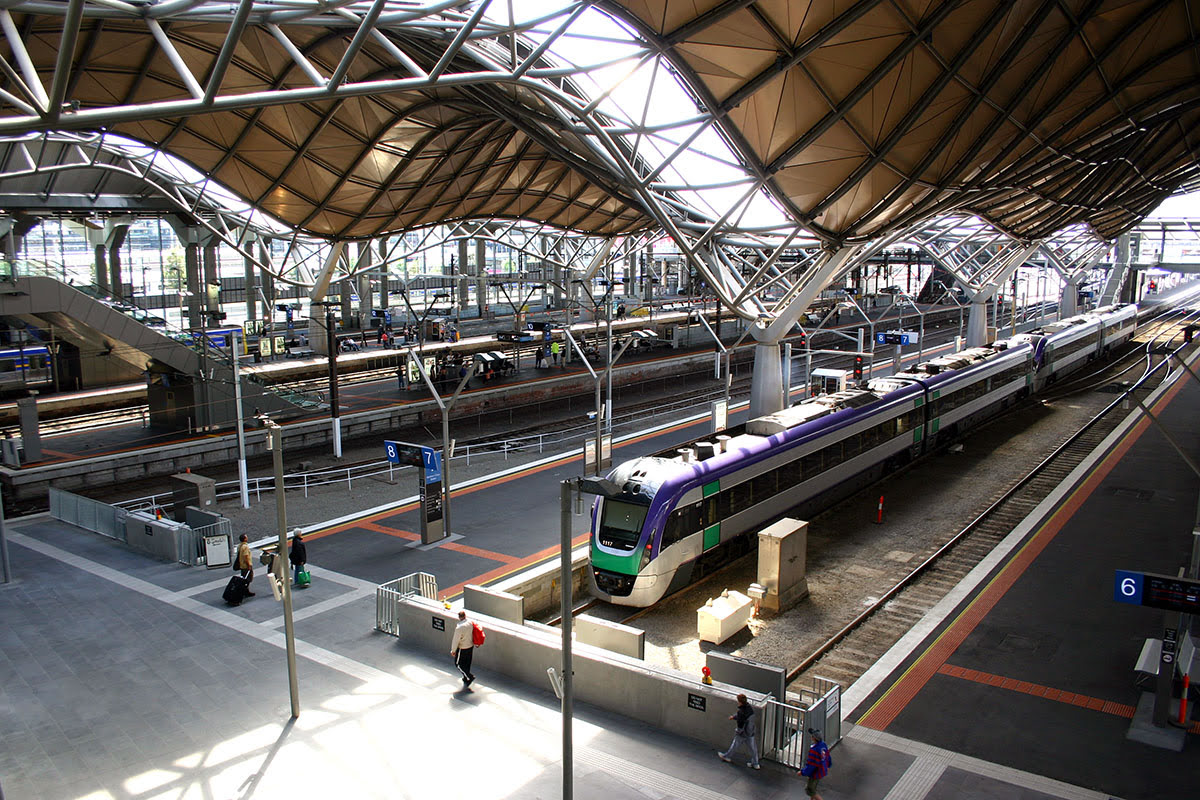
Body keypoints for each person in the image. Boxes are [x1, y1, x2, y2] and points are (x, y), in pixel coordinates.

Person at [717, 693, 759, 769]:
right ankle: (755, 763)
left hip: (743, 733)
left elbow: (740, 721)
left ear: (740, 702)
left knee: (735, 744)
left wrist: (738, 730)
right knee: (753, 748)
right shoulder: (750, 708)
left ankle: (726, 756)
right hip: (751, 732)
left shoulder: (741, 711)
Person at [797, 728, 831, 798]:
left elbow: (811, 765)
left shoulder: (814, 750)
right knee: (814, 788)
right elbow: (828, 756)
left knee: (810, 790)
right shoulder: (823, 745)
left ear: (814, 738)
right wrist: (828, 765)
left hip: (815, 773)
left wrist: (802, 772)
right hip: (822, 770)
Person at [450, 609, 477, 688]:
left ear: (459, 617)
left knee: (458, 664)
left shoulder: (459, 628)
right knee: (467, 663)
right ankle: (465, 677)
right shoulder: (470, 623)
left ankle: (469, 676)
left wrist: (453, 650)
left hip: (463, 648)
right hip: (470, 646)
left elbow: (456, 640)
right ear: (465, 616)